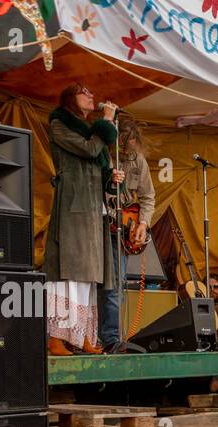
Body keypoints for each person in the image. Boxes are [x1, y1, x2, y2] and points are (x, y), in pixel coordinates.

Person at [44, 84, 118, 356]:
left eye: (91, 91)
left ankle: (84, 336)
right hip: (74, 206)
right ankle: (56, 338)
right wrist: (107, 122)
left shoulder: (90, 131)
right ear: (69, 99)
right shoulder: (59, 125)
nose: (91, 95)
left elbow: (99, 167)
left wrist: (112, 179)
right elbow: (88, 150)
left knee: (88, 278)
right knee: (70, 274)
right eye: (84, 92)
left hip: (92, 209)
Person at [98, 111, 155, 352]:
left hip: (122, 229)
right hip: (98, 223)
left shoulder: (138, 161)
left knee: (117, 284)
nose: (129, 146)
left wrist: (142, 224)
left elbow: (148, 196)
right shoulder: (100, 155)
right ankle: (99, 337)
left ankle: (113, 338)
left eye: (133, 141)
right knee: (95, 284)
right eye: (125, 140)